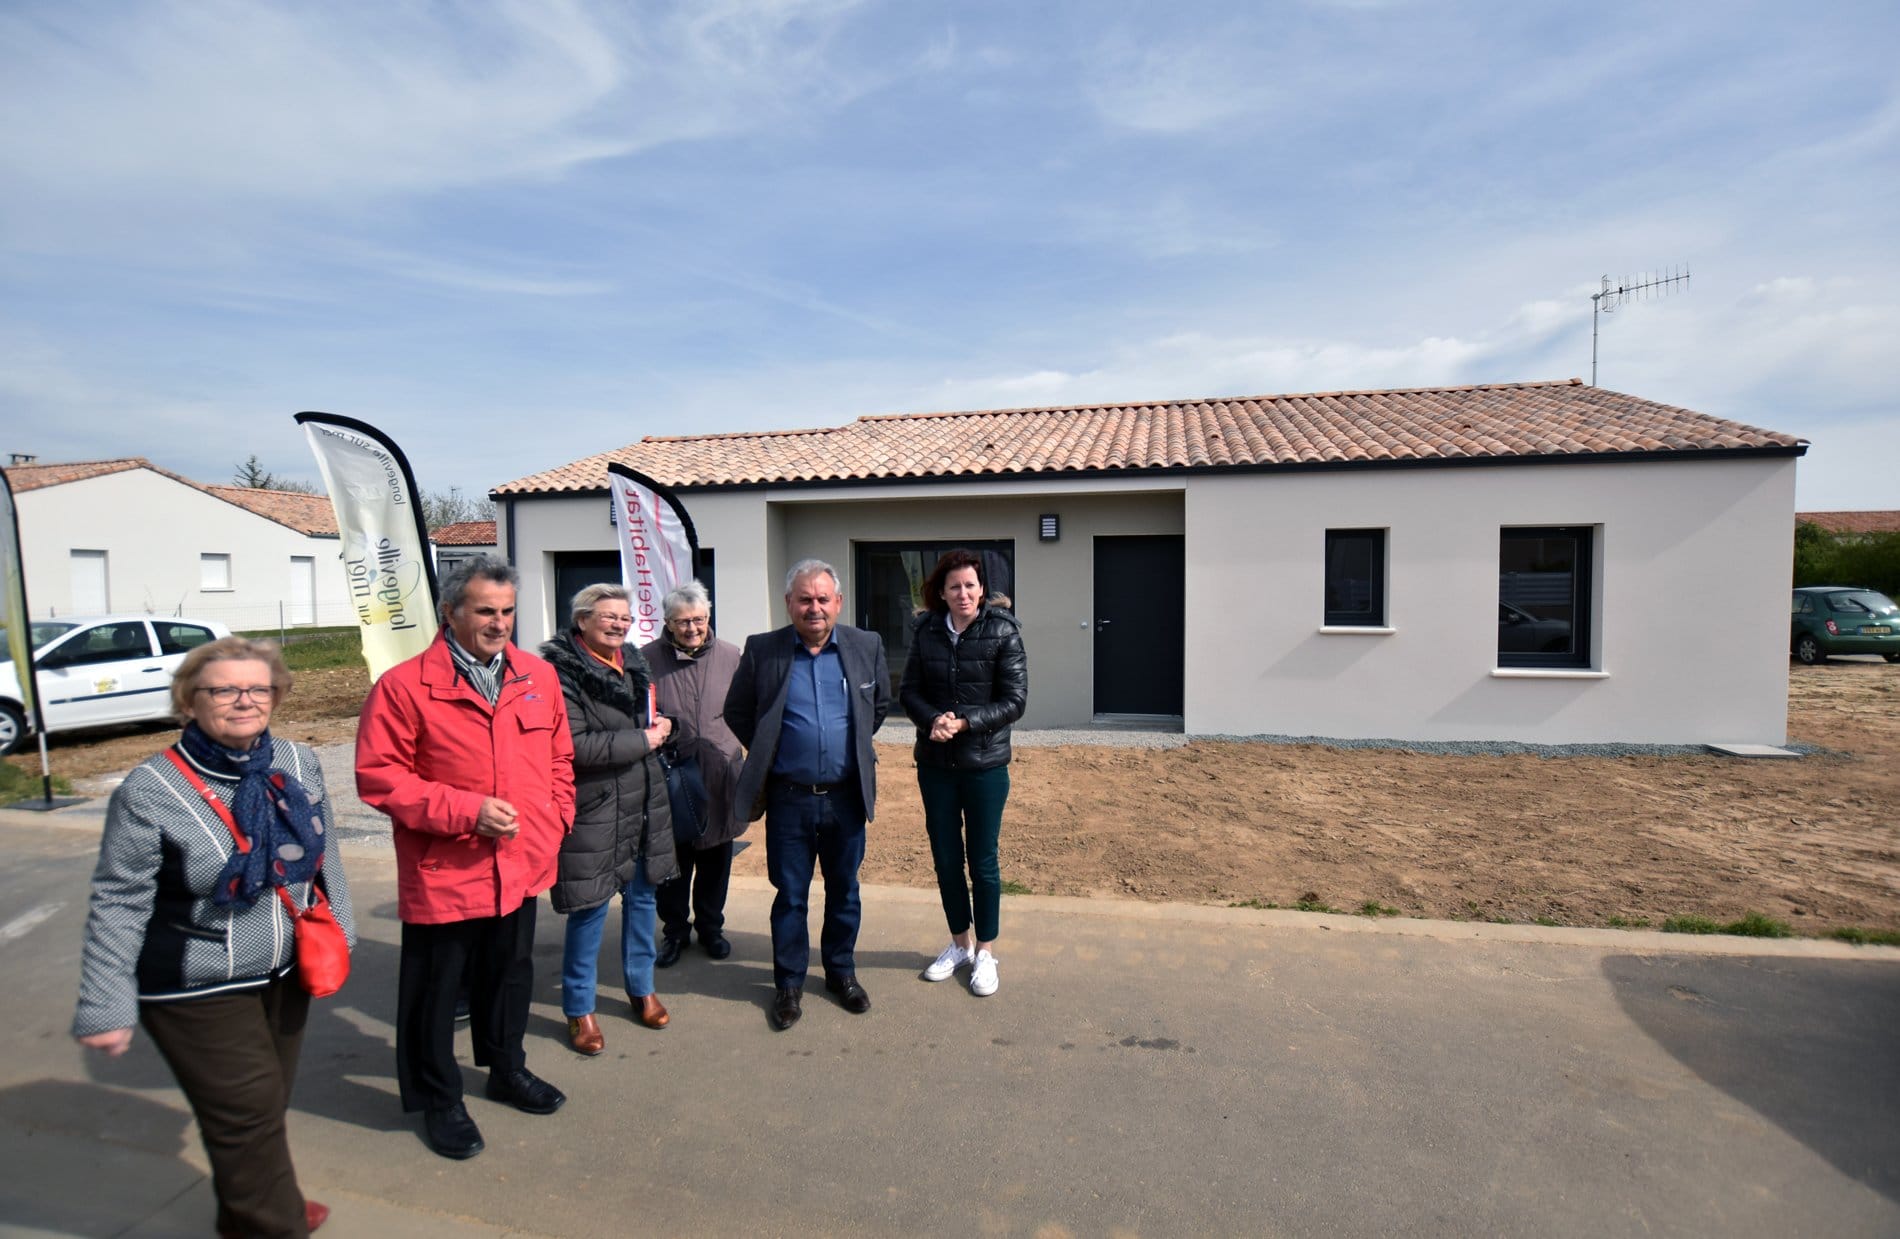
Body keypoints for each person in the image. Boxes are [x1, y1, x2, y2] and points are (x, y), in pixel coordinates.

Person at [74, 636, 354, 1238]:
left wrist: (343, 930)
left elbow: (323, 855)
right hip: (193, 981)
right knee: (249, 1114)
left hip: (284, 969)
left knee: (258, 1110)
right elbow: (119, 900)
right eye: (223, 689)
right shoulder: (150, 789)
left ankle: (246, 1209)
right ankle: (271, 1223)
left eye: (257, 688)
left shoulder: (298, 763)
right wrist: (105, 1004)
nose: (243, 700)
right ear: (189, 701)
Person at [355, 555, 574, 1161]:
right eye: (485, 611)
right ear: (450, 612)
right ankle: (437, 1097)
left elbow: (559, 758)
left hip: (519, 862)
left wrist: (557, 818)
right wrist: (464, 811)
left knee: (509, 977)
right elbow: (379, 778)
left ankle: (507, 1069)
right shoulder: (403, 687)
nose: (499, 623)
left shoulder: (537, 676)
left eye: (507, 611)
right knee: (435, 991)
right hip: (445, 871)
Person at [725, 558, 889, 1030]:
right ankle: (789, 984)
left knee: (844, 891)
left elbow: (877, 707)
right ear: (788, 603)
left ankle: (841, 973)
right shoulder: (764, 649)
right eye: (804, 599)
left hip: (845, 797)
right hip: (789, 798)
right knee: (791, 895)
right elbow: (737, 710)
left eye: (822, 599)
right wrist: (771, 747)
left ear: (838, 602)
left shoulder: (866, 645)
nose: (813, 607)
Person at [538, 584, 678, 1056]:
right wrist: (646, 739)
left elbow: (647, 720)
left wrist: (665, 725)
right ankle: (580, 1008)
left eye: (624, 617)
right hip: (593, 806)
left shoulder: (634, 663)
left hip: (642, 802)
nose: (619, 624)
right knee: (589, 909)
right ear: (581, 622)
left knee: (642, 902)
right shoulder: (560, 674)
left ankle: (642, 987)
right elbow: (574, 747)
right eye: (608, 618)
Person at [898, 550, 1027, 997]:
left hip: (985, 766)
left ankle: (986, 953)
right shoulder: (925, 630)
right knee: (947, 860)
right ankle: (959, 945)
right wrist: (932, 719)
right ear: (941, 592)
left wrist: (966, 721)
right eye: (954, 586)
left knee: (983, 862)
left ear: (982, 590)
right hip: (935, 767)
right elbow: (908, 690)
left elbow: (1015, 701)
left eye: (970, 585)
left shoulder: (1003, 631)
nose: (963, 593)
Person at [644, 579, 747, 967]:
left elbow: (746, 709)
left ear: (708, 617)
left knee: (716, 859)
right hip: (672, 777)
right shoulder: (646, 659)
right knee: (673, 864)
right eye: (683, 622)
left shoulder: (731, 655)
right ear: (668, 622)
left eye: (699, 620)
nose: (692, 629)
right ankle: (674, 932)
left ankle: (711, 928)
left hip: (721, 775)